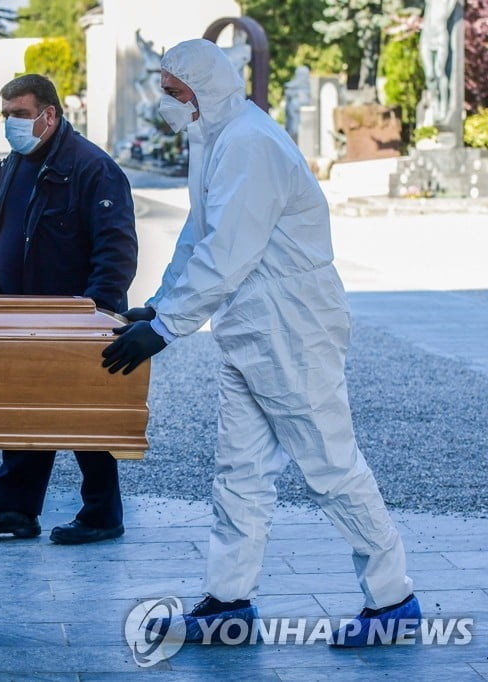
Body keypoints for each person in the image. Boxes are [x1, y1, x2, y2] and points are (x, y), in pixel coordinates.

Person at [101, 39, 419, 646]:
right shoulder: (214, 138)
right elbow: (200, 231)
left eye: (173, 92)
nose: (165, 102)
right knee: (239, 470)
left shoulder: (248, 143)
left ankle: (393, 598)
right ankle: (228, 601)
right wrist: (162, 302)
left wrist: (167, 329)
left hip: (292, 327)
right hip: (250, 328)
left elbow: (230, 251)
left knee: (330, 464)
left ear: (203, 91)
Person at [0, 74, 138, 545]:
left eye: (19, 114)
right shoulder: (15, 162)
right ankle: (15, 511)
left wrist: (93, 315)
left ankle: (102, 515)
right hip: (15, 314)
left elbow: (116, 252)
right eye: (7, 115)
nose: (11, 124)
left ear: (49, 115)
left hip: (72, 320)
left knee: (83, 416)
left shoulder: (93, 168)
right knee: (21, 412)